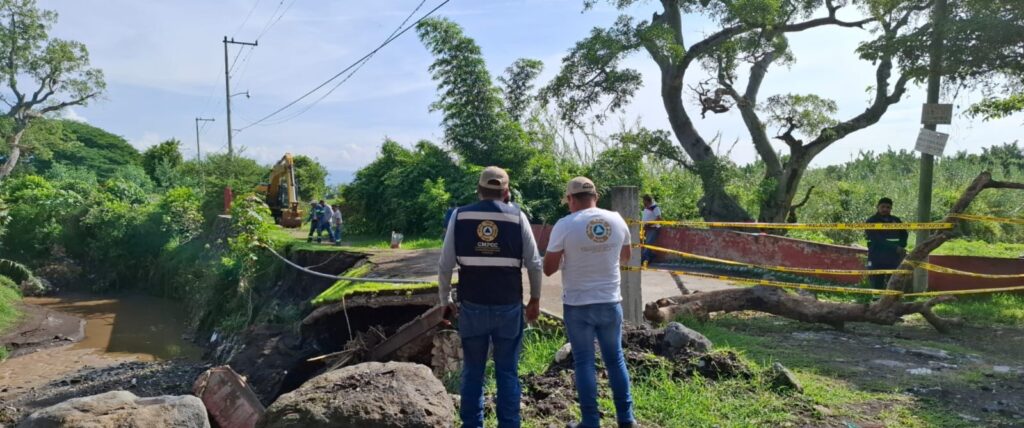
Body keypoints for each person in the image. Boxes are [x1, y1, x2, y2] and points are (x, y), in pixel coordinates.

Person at [438, 166, 543, 428]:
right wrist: (535, 300)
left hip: (472, 307)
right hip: (508, 307)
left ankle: (472, 424)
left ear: (479, 190)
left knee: (473, 372)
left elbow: (444, 265)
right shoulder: (518, 217)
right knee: (507, 371)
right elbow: (534, 264)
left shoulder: (459, 216)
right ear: (506, 192)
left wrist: (445, 302)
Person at [543, 177, 637, 428]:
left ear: (571, 199)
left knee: (584, 362)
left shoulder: (565, 224)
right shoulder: (617, 219)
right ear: (596, 196)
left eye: (568, 201)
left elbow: (548, 269)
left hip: (578, 305)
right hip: (610, 302)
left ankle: (590, 421)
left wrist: (568, 259)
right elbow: (625, 258)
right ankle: (626, 419)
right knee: (615, 358)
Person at [865, 197, 908, 290]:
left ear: (891, 209)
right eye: (882, 206)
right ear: (877, 207)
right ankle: (876, 302)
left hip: (893, 257)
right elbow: (877, 239)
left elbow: (904, 234)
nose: (885, 209)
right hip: (876, 255)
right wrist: (895, 248)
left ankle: (891, 302)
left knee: (893, 281)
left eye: (888, 207)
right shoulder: (871, 221)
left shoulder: (896, 220)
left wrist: (902, 245)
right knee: (877, 280)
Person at [640, 194, 662, 266]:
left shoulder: (655, 208)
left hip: (653, 229)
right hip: (646, 228)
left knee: (648, 245)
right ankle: (650, 257)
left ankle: (644, 260)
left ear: (648, 201)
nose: (643, 203)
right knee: (645, 245)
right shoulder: (647, 207)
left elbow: (659, 218)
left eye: (644, 202)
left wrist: (649, 225)